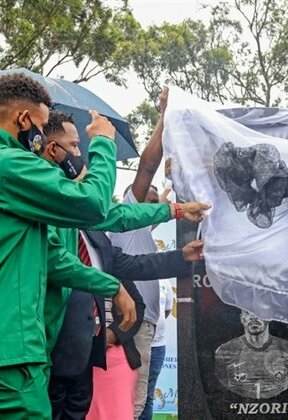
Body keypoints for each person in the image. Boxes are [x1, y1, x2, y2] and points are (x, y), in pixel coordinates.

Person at [0, 72, 137, 419]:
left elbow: (50, 257)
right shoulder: (11, 164)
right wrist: (103, 143)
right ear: (23, 119)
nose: (43, 139)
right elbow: (93, 204)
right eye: (41, 127)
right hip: (11, 352)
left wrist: (110, 285)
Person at [40, 110, 209, 364]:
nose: (79, 155)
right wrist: (103, 143)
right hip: (47, 343)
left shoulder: (90, 228)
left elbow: (128, 257)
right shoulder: (40, 201)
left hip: (79, 353)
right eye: (75, 146)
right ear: (52, 149)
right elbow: (59, 261)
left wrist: (180, 233)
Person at [49, 229, 203, 420]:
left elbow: (136, 264)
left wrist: (181, 256)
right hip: (48, 357)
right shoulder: (50, 228)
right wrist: (113, 287)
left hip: (84, 363)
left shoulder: (95, 236)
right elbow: (61, 265)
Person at [108, 88, 175, 418]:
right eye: (145, 200)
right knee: (131, 408)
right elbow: (148, 167)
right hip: (132, 328)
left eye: (154, 202)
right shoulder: (127, 218)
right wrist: (165, 116)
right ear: (130, 200)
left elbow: (163, 194)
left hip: (142, 329)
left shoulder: (141, 232)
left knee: (137, 405)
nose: (154, 206)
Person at [215, 310, 288, 400]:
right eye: (247, 312)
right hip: (238, 410)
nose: (253, 317)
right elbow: (220, 388)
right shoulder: (225, 350)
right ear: (241, 318)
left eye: (259, 311)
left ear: (269, 317)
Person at [139, 279, 174, 420]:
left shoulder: (165, 281)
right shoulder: (135, 275)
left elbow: (166, 311)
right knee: (134, 393)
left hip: (158, 345)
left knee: (148, 394)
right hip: (136, 344)